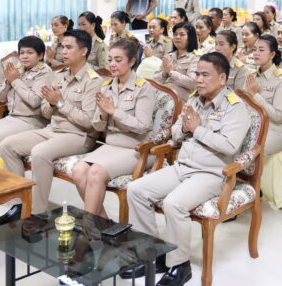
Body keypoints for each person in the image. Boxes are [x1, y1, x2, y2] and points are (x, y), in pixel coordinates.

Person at [125, 53, 251, 285]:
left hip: (211, 174)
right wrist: (184, 128)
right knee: (136, 190)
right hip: (183, 166)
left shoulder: (235, 108)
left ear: (222, 78)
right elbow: (175, 133)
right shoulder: (194, 100)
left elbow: (229, 146)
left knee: (174, 203)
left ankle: (180, 265)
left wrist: (197, 129)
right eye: (197, 74)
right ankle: (151, 254)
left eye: (205, 75)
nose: (199, 80)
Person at [0, 29, 104, 224]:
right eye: (62, 47)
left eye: (69, 47)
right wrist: (53, 104)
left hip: (78, 135)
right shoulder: (58, 75)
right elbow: (45, 111)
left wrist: (60, 104)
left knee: (40, 153)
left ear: (84, 51)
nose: (63, 51)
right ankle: (19, 205)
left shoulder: (93, 80)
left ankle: (37, 214)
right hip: (52, 129)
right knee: (7, 146)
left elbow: (89, 122)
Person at [71, 40, 155, 218]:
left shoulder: (143, 88)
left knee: (95, 172)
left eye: (118, 60)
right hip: (111, 145)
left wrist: (114, 112)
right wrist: (103, 115)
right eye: (110, 60)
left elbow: (142, 126)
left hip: (135, 148)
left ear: (132, 61)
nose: (112, 64)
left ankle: (88, 226)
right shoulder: (106, 86)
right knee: (78, 171)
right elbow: (97, 125)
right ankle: (103, 224)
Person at [0, 36, 53, 154]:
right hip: (11, 118)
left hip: (32, 121)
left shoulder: (45, 73)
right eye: (21, 52)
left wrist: (15, 81)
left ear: (40, 55)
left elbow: (34, 101)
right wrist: (8, 82)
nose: (24, 56)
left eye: (30, 52)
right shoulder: (17, 69)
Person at [247, 34, 282, 155]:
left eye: (261, 50)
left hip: (275, 130)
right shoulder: (251, 76)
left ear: (272, 54)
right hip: (252, 126)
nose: (256, 53)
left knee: (250, 150)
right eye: (254, 49)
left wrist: (255, 95)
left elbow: (278, 116)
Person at [154, 22, 199, 101]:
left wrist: (172, 72)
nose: (177, 37)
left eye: (182, 34)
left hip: (181, 99)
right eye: (175, 34)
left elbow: (192, 83)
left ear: (190, 37)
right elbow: (156, 79)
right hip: (163, 93)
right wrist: (164, 73)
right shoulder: (169, 56)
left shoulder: (195, 57)